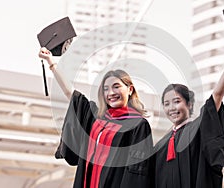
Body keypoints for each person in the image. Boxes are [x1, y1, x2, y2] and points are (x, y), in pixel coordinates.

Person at [39, 48, 154, 188]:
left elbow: (138, 171)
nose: (111, 93)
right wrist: (51, 62)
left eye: (116, 87)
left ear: (130, 90)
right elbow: (71, 93)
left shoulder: (137, 125)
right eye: (106, 89)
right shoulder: (96, 119)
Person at [153, 38, 224, 188]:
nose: (171, 108)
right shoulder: (160, 146)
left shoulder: (197, 129)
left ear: (189, 103)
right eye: (166, 104)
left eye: (177, 101)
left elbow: (217, 95)